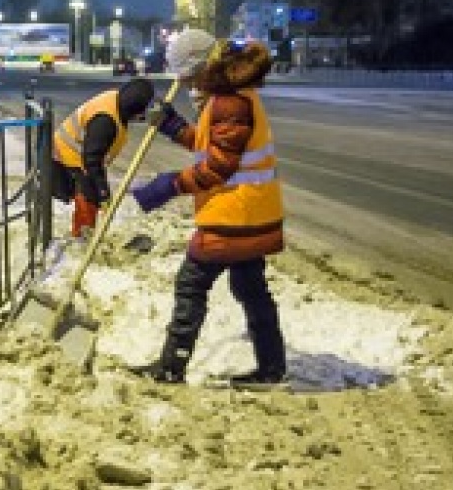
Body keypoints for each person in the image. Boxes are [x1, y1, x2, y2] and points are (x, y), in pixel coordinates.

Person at [128, 39, 287, 389]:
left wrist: (167, 186)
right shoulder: (228, 95)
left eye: (184, 76)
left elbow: (217, 167)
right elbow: (208, 143)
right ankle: (272, 369)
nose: (182, 84)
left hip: (233, 213)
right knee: (251, 288)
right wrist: (172, 126)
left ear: (199, 68)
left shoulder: (229, 102)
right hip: (248, 211)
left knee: (191, 283)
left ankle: (172, 367)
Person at [51, 78, 155, 238]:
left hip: (81, 154)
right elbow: (92, 160)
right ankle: (82, 238)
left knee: (93, 195)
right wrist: (103, 190)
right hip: (68, 154)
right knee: (89, 198)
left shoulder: (117, 100)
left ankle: (86, 234)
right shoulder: (105, 121)